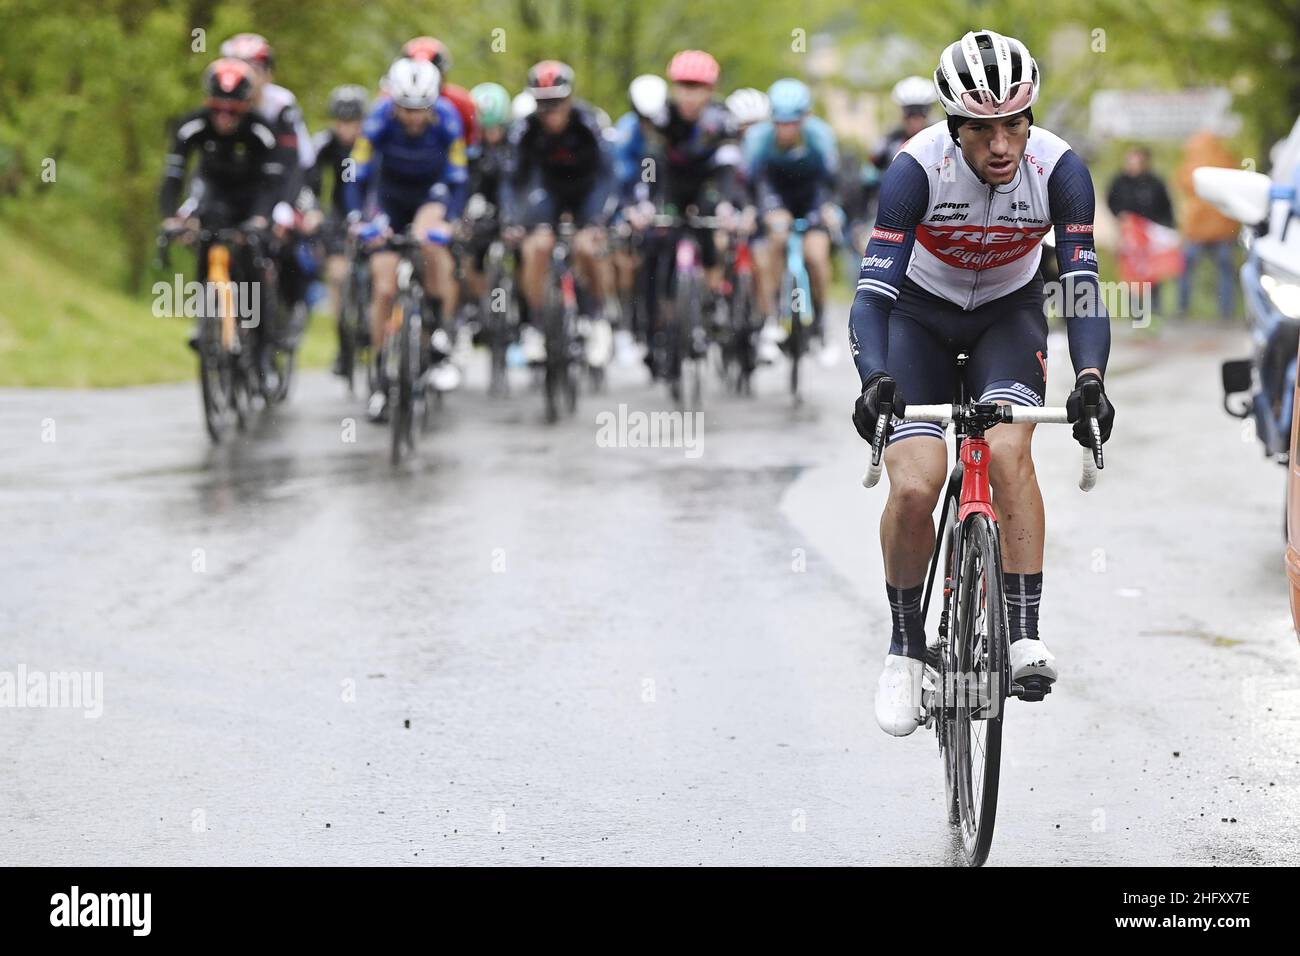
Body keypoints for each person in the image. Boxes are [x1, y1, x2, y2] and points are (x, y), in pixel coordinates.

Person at [848, 29, 1114, 736]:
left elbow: (1083, 287)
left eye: (1014, 125)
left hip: (1008, 317)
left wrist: (1091, 377)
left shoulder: (1060, 171)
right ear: (953, 126)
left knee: (1004, 453)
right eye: (982, 130)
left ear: (1030, 120)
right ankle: (905, 651)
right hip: (917, 321)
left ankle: (1023, 631)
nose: (1001, 146)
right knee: (915, 481)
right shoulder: (915, 170)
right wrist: (874, 376)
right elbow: (872, 294)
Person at [347, 57, 468, 421]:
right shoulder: (378, 119)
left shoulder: (448, 119)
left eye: (421, 109)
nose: (414, 118)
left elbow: (459, 176)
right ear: (394, 102)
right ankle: (382, 372)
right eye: (406, 109)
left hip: (431, 195)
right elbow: (357, 171)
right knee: (384, 287)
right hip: (388, 198)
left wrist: (451, 223)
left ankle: (441, 333)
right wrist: (357, 219)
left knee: (429, 242)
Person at [159, 59, 282, 359]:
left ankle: (264, 350)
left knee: (253, 262)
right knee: (207, 241)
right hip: (213, 196)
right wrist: (170, 218)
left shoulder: (261, 131)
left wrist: (261, 217)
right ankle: (205, 317)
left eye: (233, 111)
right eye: (218, 109)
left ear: (246, 105)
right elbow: (173, 176)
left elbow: (273, 182)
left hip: (251, 200)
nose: (225, 118)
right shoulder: (192, 126)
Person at [501, 60, 617, 360]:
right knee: (536, 248)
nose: (550, 113)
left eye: (557, 103)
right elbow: (513, 180)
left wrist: (597, 220)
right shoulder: (525, 129)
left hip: (586, 191)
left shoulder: (590, 123)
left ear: (570, 99)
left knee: (587, 246)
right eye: (543, 104)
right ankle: (537, 324)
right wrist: (513, 219)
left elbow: (609, 175)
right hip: (547, 193)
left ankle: (597, 317)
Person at [743, 78, 839, 349]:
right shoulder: (758, 139)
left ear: (805, 117)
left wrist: (829, 209)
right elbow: (752, 181)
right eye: (780, 122)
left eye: (793, 122)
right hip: (776, 195)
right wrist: (753, 210)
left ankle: (822, 320)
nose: (786, 129)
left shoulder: (820, 137)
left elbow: (832, 182)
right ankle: (772, 315)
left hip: (812, 196)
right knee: (777, 235)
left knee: (817, 256)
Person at [309, 85, 370, 376]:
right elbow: (308, 178)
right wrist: (312, 211)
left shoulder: (373, 142)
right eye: (342, 121)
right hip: (337, 214)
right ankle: (344, 340)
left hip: (371, 213)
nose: (347, 129)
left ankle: (373, 324)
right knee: (338, 276)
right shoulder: (324, 144)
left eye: (353, 121)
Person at [1175, 131, 1240, 320]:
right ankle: (1226, 312)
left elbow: (1182, 183)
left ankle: (1182, 308)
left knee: (1185, 269)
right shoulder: (1226, 159)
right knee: (1226, 271)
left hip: (1197, 229)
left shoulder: (1192, 164)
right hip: (1223, 228)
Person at [1106, 146, 1174, 313]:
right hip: (1128, 235)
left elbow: (1166, 208)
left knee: (1153, 275)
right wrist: (1120, 217)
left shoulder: (1155, 183)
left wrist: (1167, 231)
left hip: (1151, 236)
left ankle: (1155, 311)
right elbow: (1111, 203)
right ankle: (1136, 313)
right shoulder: (1119, 181)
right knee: (1131, 275)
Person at [872, 75, 937, 172]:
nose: (915, 121)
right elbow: (874, 161)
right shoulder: (890, 140)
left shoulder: (938, 139)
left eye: (920, 114)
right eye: (910, 114)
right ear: (903, 116)